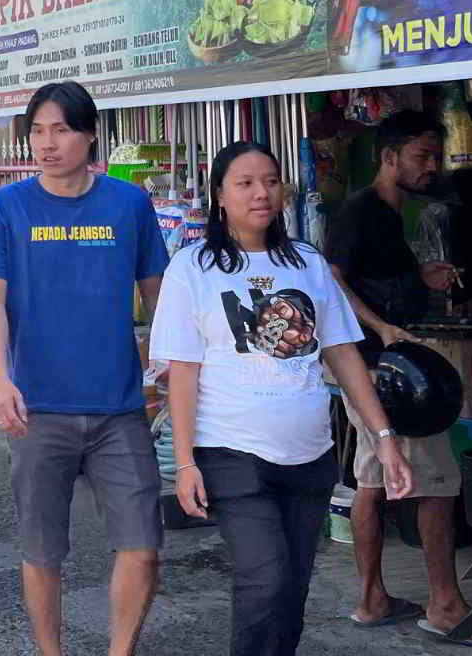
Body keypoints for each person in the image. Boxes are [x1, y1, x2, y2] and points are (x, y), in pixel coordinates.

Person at [152, 140, 414, 656]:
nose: (260, 194)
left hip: (308, 453)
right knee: (264, 581)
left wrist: (384, 438)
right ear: (220, 196)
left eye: (270, 181)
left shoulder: (307, 262)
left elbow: (342, 353)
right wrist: (184, 463)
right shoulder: (193, 267)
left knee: (291, 591)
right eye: (245, 183)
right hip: (230, 450)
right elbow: (182, 371)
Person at [0, 81, 169, 656]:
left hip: (119, 408)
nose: (46, 143)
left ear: (89, 135)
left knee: (142, 543)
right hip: (38, 408)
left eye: (60, 130)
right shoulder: (5, 208)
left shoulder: (128, 204)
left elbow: (158, 294)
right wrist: (0, 380)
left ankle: (119, 650)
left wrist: (168, 367)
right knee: (43, 550)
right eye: (37, 131)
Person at [323, 110, 471, 636]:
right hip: (382, 369)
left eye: (435, 156)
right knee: (433, 483)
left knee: (371, 479)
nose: (431, 167)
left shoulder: (391, 214)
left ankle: (373, 600)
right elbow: (331, 280)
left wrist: (419, 276)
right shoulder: (359, 212)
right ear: (389, 157)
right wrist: (383, 326)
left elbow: (374, 275)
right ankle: (445, 607)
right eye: (420, 156)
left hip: (376, 366)